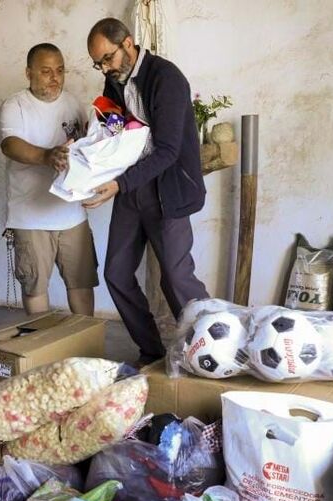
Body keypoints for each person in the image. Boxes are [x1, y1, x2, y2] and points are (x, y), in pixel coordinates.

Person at [84, 18, 209, 365]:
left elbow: (168, 150)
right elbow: (112, 134)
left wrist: (118, 183)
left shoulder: (165, 78)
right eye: (98, 63)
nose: (105, 68)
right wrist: (85, 155)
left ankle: (212, 346)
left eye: (107, 58)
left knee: (176, 277)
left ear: (127, 44)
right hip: (130, 189)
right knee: (116, 273)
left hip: (165, 189)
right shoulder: (114, 81)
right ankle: (152, 351)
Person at [0, 43, 97, 316]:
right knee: (35, 288)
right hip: (30, 217)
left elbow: (86, 147)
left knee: (82, 284)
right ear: (29, 73)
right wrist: (46, 156)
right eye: (46, 71)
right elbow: (10, 144)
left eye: (60, 70)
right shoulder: (15, 105)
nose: (55, 77)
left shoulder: (73, 103)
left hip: (72, 214)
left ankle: (86, 352)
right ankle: (44, 349)